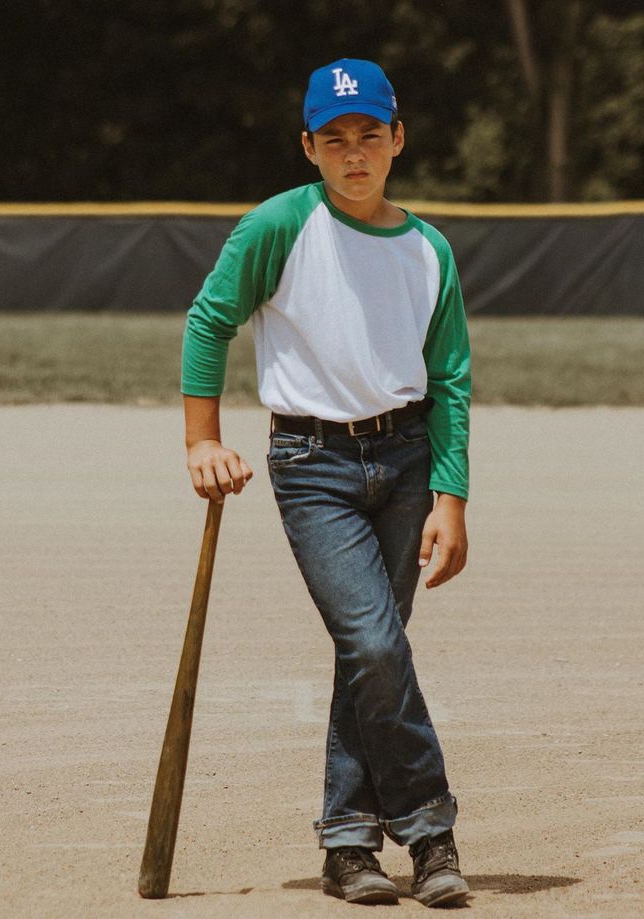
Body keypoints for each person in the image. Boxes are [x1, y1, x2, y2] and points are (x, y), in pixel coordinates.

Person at [180, 58, 471, 908]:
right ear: (308, 146)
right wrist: (202, 439)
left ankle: (348, 844)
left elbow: (449, 377)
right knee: (376, 644)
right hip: (313, 467)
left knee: (366, 654)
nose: (354, 154)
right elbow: (209, 319)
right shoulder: (278, 225)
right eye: (335, 139)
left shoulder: (427, 249)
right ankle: (430, 827)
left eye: (369, 137)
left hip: (410, 460)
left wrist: (451, 495)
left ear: (397, 140)